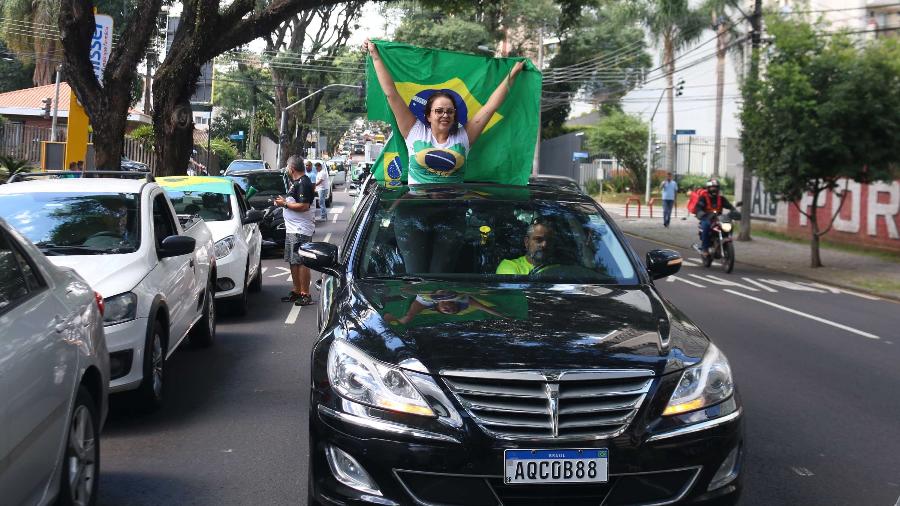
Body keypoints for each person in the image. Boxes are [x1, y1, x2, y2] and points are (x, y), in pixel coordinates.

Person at [365, 39, 524, 184]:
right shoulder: (414, 131)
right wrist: (375, 56)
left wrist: (513, 73)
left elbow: (491, 107)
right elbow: (391, 94)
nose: (445, 115)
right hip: (417, 204)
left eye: (450, 111)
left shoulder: (464, 136)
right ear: (428, 115)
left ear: (455, 115)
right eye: (439, 111)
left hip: (453, 205)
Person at [274, 156, 316, 306]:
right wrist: (284, 202)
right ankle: (297, 291)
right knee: (293, 261)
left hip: (301, 229)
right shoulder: (297, 183)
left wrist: (284, 204)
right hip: (293, 229)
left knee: (302, 261)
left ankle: (305, 293)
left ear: (292, 168)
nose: (286, 169)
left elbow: (304, 206)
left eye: (287, 166)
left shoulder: (303, 183)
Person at [383, 290, 506, 325]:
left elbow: (405, 290)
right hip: (445, 271)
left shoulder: (424, 302)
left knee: (407, 319)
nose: (450, 310)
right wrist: (504, 316)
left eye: (447, 312)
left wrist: (384, 320)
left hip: (423, 274)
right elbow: (485, 308)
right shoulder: (461, 298)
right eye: (453, 310)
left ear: (439, 309)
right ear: (455, 304)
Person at [694, 179, 735, 257]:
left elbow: (729, 206)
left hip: (718, 219)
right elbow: (698, 207)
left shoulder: (721, 198)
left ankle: (725, 240)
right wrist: (701, 213)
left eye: (715, 187)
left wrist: (734, 211)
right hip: (706, 218)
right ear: (708, 188)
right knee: (706, 226)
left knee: (729, 224)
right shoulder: (703, 198)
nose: (714, 189)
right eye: (712, 187)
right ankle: (705, 248)